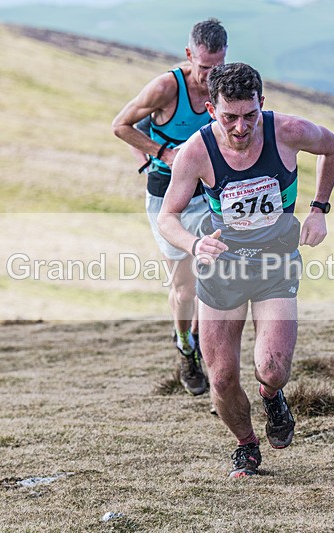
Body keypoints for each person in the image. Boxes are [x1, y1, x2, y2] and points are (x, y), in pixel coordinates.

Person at [158, 63, 334, 477]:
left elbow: (332, 146)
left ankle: (271, 395)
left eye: (249, 115)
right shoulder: (196, 152)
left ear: (262, 103)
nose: (240, 128)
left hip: (275, 262)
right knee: (220, 378)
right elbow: (167, 217)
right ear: (210, 109)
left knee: (273, 369)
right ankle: (246, 445)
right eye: (229, 117)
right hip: (221, 269)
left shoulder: (289, 131)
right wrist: (193, 243)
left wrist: (318, 210)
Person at [112, 19, 227, 396]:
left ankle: (204, 345)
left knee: (215, 275)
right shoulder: (166, 87)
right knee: (184, 286)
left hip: (207, 193)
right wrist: (162, 154)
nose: (211, 76)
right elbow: (121, 125)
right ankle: (185, 347)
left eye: (218, 66)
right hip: (167, 196)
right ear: (189, 54)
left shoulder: (224, 84)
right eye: (205, 67)